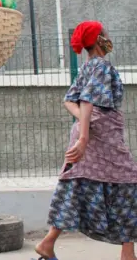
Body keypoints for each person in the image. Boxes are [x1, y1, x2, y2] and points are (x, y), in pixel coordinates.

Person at [34, 21, 137, 260]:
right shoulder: (101, 66)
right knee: (127, 184)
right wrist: (85, 135)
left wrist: (85, 125)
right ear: (100, 37)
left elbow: (70, 101)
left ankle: (48, 243)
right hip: (102, 136)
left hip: (92, 130)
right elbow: (88, 100)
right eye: (106, 32)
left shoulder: (88, 66)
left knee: (77, 184)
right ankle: (128, 253)